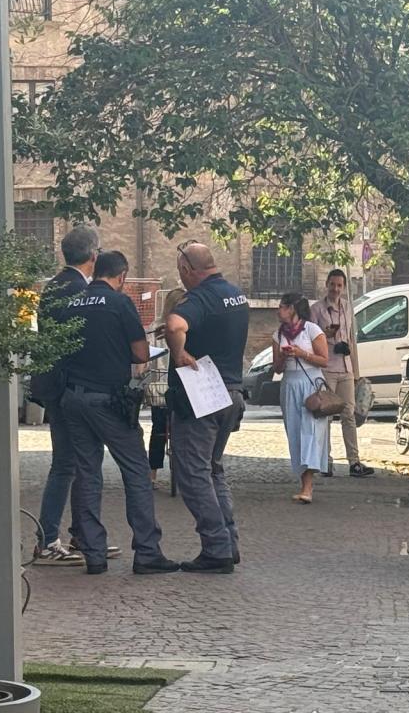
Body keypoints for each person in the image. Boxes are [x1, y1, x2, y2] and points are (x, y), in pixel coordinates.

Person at [61, 251, 179, 575]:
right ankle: (147, 551)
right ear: (122, 275)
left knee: (86, 474)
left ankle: (93, 554)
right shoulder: (119, 303)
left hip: (73, 397)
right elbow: (141, 351)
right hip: (109, 400)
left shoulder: (73, 302)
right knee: (136, 471)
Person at [29, 225, 118, 565]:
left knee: (80, 462)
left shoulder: (55, 286)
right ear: (94, 256)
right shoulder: (77, 290)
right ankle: (48, 539)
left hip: (57, 384)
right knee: (67, 463)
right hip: (69, 385)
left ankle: (82, 535)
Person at [165, 242, 249, 574]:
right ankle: (229, 541)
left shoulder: (199, 298)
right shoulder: (235, 294)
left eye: (180, 273)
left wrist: (178, 353)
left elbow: (175, 325)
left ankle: (216, 548)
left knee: (192, 473)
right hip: (231, 393)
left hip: (202, 396)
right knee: (213, 469)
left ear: (188, 270)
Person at [310, 269, 374, 478]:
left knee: (349, 414)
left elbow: (352, 339)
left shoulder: (348, 307)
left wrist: (355, 370)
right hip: (327, 367)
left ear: (344, 287)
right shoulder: (317, 309)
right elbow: (311, 339)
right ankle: (325, 461)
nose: (335, 289)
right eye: (332, 284)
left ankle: (354, 461)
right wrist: (326, 337)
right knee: (326, 416)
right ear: (326, 285)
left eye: (339, 285)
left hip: (345, 368)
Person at [273, 292, 330, 503]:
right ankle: (303, 483)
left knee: (310, 432)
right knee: (296, 433)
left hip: (311, 385)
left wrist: (302, 354)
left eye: (282, 306)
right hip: (290, 384)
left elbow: (324, 360)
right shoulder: (278, 334)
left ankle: (308, 486)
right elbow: (277, 369)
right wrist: (282, 356)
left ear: (292, 309)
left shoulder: (312, 330)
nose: (278, 310)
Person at [148, 287, 186, 486]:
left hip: (170, 383)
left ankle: (152, 474)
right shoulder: (162, 327)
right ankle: (153, 473)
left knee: (162, 430)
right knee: (160, 430)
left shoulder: (174, 325)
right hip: (166, 384)